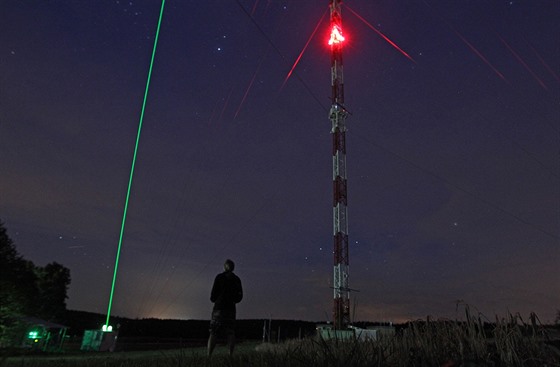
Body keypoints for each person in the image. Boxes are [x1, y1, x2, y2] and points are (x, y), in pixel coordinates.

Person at [207, 259, 243, 357]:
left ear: (224, 267)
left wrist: (216, 299)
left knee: (214, 332)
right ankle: (230, 355)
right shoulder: (237, 279)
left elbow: (213, 295)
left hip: (219, 308)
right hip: (231, 309)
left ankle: (209, 356)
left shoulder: (219, 277)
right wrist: (233, 300)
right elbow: (240, 297)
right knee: (230, 332)